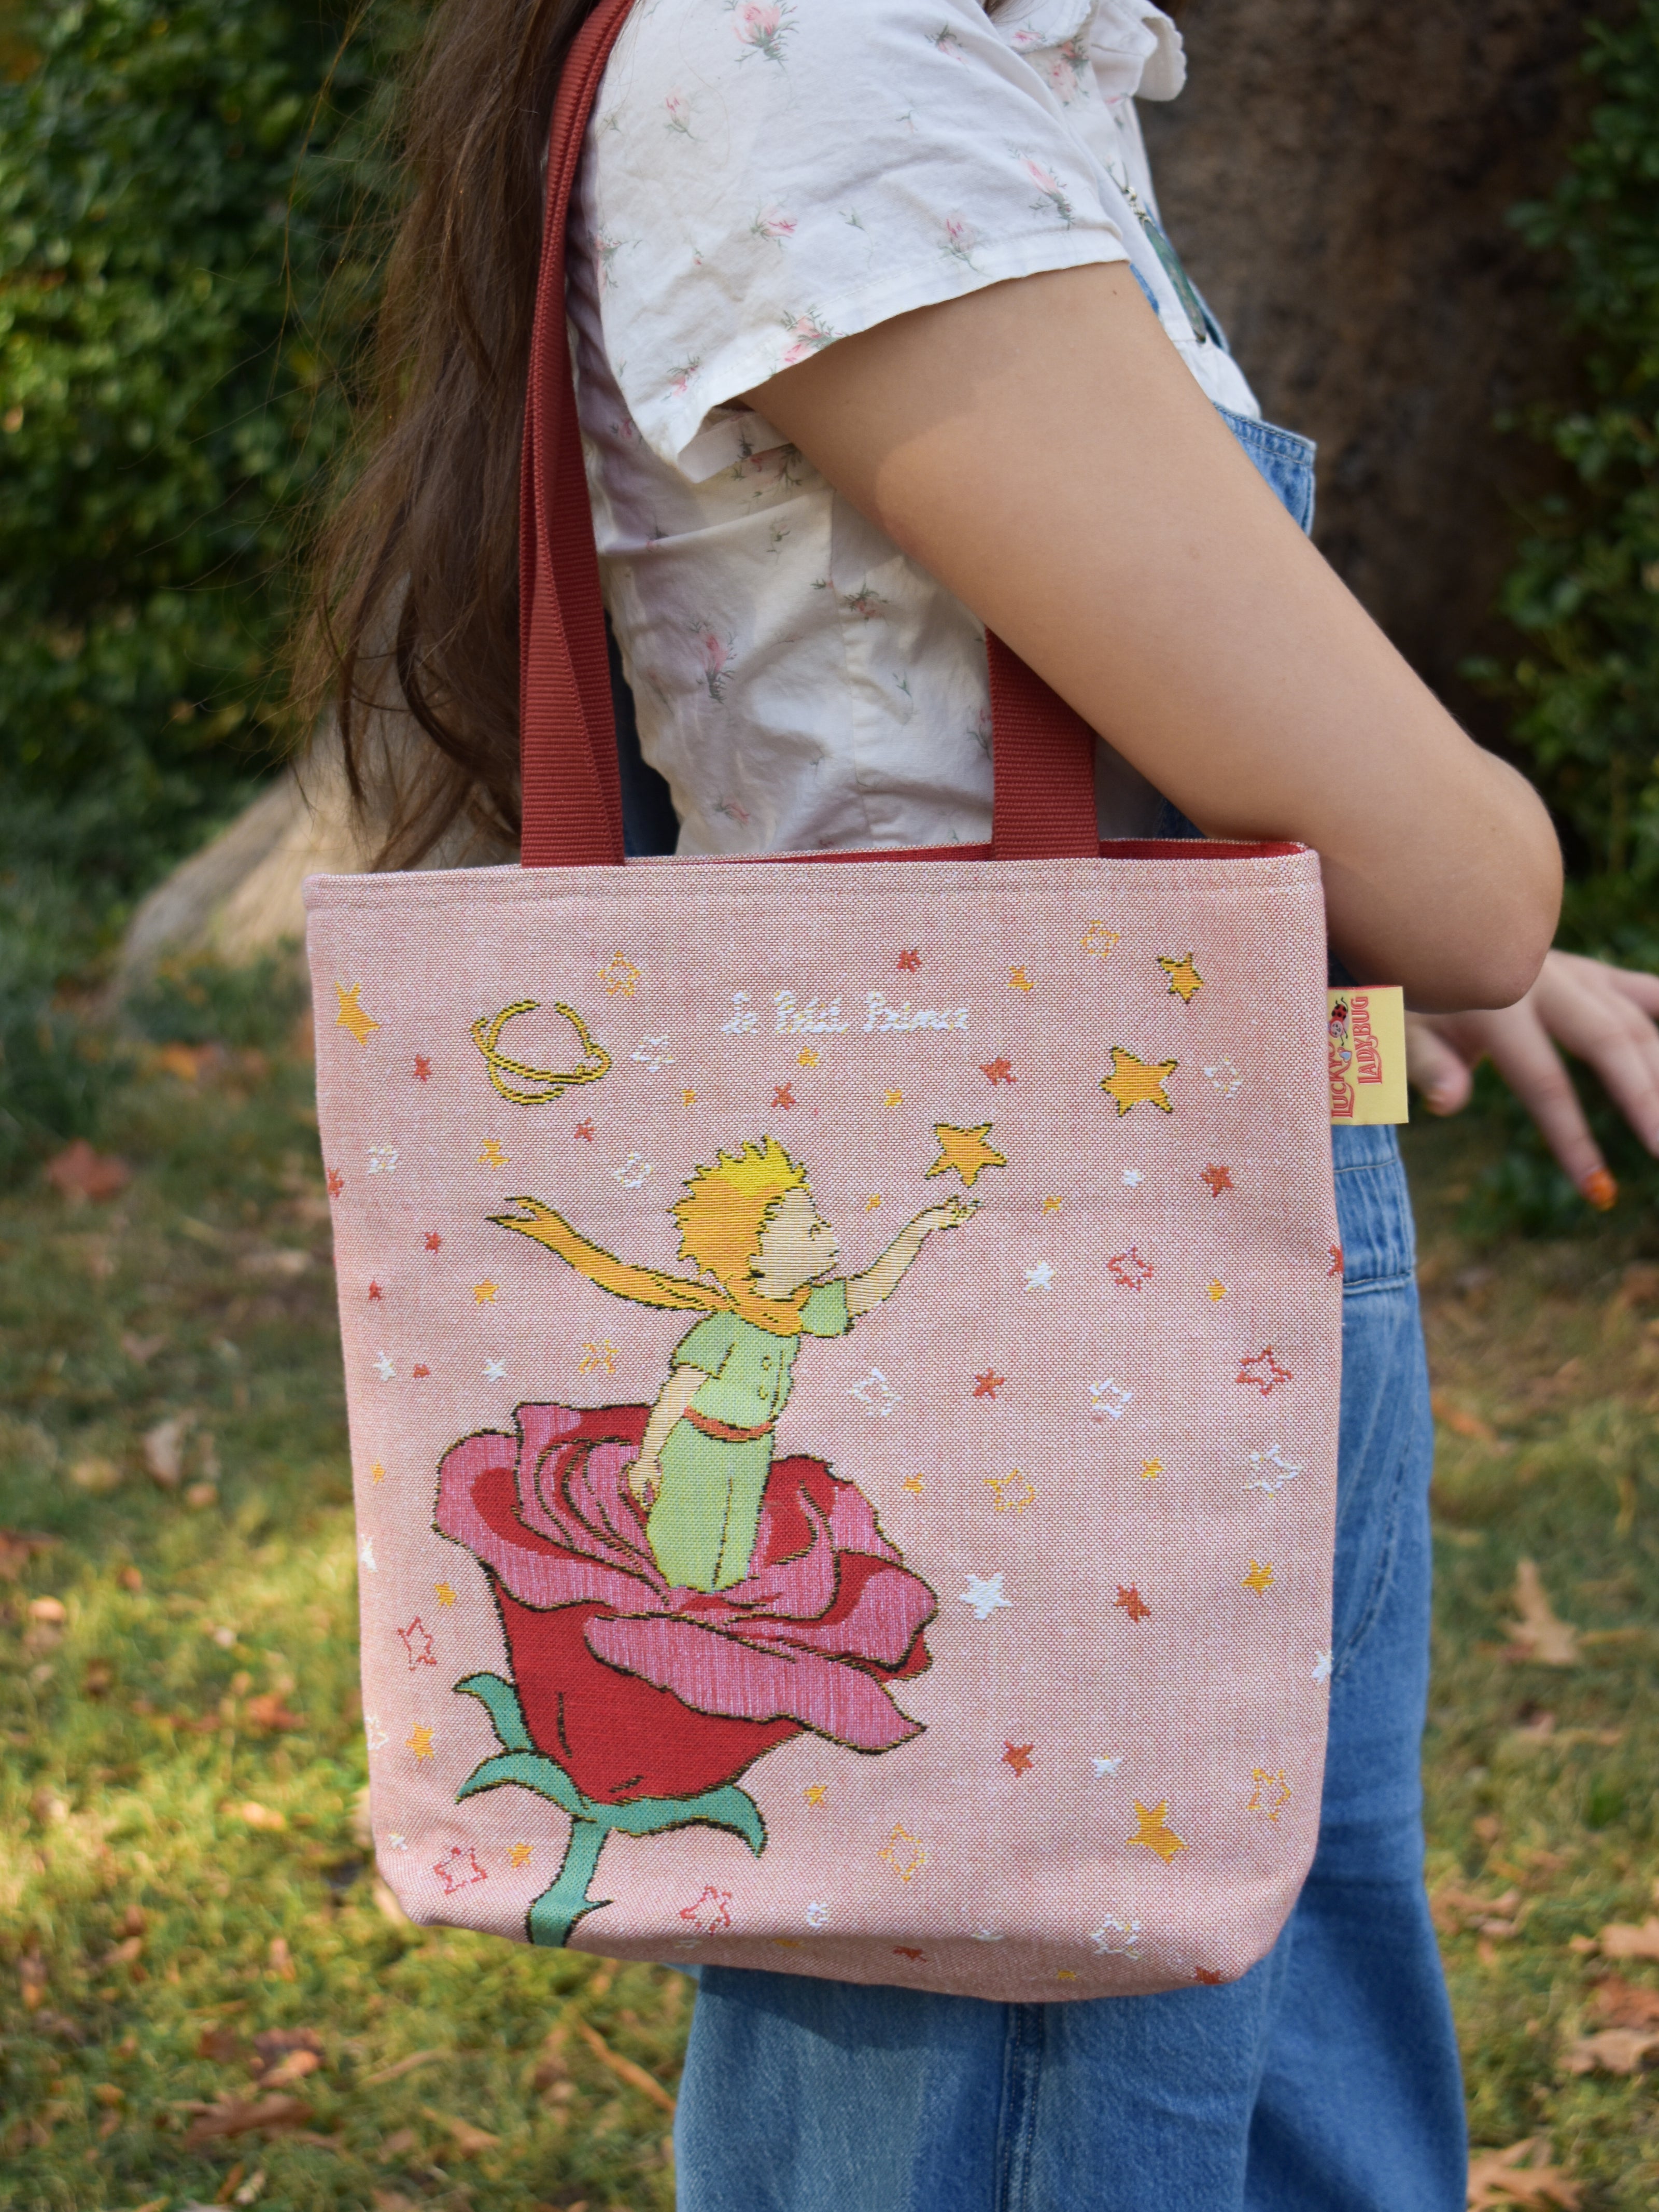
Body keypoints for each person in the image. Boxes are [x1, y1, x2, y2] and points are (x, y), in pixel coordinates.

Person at [302, 1, 1644, 2204]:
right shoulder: (828, 59)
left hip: (1155, 1214)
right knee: (1077, 2101)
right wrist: (1456, 871)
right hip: (1064, 1294)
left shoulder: (948, 67)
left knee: (1267, 2033)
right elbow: (1468, 881)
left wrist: (1356, 920)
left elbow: (934, 710)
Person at [488, 1143, 975, 1590]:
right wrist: (650, 1457)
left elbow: (868, 1291)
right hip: (697, 1444)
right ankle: (669, 1611)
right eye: (809, 1229)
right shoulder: (725, 1327)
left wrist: (919, 1229)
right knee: (684, 1536)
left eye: (819, 1223)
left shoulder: (800, 1310)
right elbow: (677, 1393)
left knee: (735, 1535)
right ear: (754, 1256)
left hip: (753, 1445)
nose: (828, 1235)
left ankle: (717, 1613)